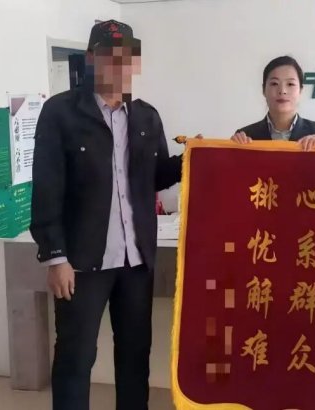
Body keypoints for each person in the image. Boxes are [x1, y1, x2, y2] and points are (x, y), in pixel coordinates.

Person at [30, 20, 183, 410]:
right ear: (91, 58)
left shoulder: (146, 117)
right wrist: (56, 258)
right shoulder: (60, 112)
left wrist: (195, 157)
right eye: (109, 56)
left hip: (136, 263)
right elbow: (47, 189)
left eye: (126, 57)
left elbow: (156, 177)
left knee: (135, 356)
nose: (119, 65)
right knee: (75, 358)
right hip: (82, 263)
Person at [231, 55, 315, 151]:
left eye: (290, 84)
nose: (282, 91)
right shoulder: (246, 136)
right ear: (263, 90)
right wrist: (232, 151)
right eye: (274, 83)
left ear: (300, 90)